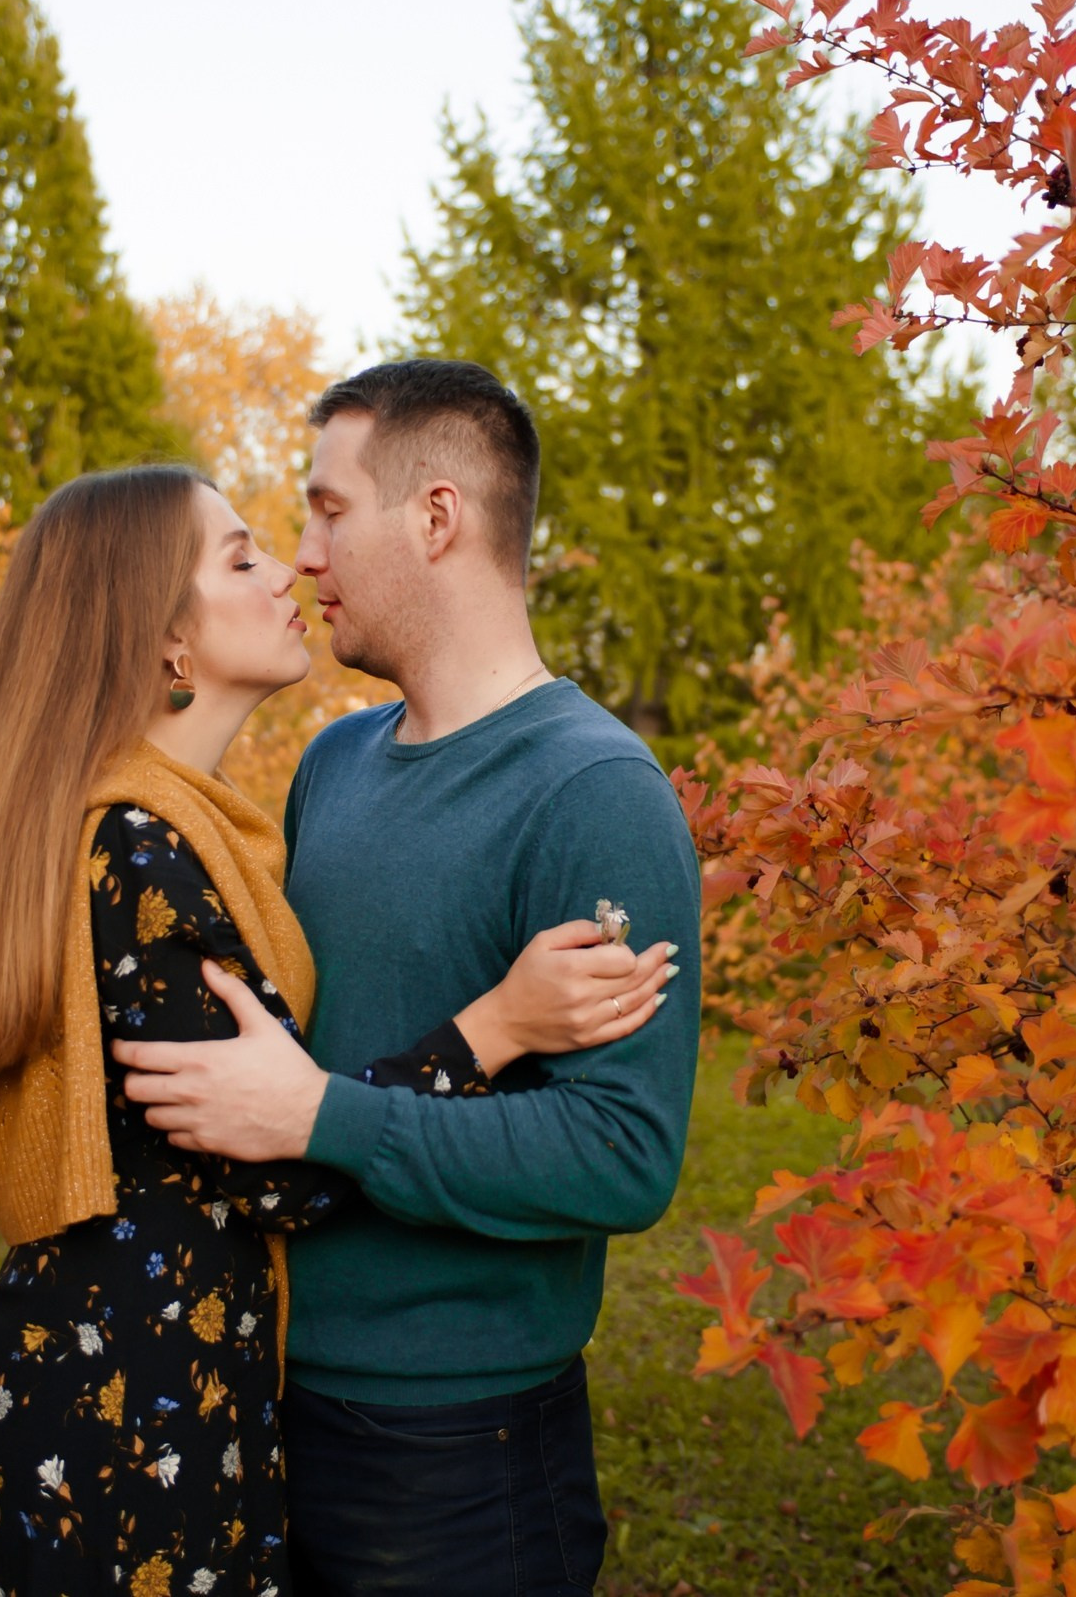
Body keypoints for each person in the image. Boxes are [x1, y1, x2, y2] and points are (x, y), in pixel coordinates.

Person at [0, 462, 678, 1597]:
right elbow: (274, 1160)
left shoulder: (197, 834)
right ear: (166, 639)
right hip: (130, 1424)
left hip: (169, 1395)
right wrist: (493, 1025)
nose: (291, 568)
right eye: (243, 555)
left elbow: (296, 1114)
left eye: (317, 518)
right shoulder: (143, 856)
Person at [113, 362, 704, 1597]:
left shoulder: (595, 790)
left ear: (436, 517)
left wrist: (324, 1117)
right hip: (262, 1400)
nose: (303, 554)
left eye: (328, 510)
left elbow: (621, 1154)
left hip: (459, 1457)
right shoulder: (333, 762)